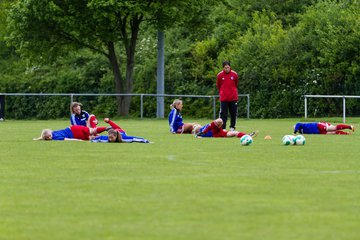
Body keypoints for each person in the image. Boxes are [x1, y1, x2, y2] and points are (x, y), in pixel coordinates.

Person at [216, 61, 239, 131]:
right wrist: (223, 92)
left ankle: (232, 127)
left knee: (233, 113)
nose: (227, 69)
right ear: (223, 68)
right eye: (225, 68)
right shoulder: (219, 75)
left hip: (233, 98)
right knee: (223, 114)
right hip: (224, 98)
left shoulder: (234, 74)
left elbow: (236, 84)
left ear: (230, 67)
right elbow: (218, 86)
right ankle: (223, 128)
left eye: (228, 67)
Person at [193, 118, 258, 138]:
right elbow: (197, 135)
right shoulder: (201, 132)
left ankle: (248, 135)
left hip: (218, 130)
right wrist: (198, 134)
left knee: (234, 133)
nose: (197, 126)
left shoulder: (202, 127)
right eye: (196, 127)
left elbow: (196, 126)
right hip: (216, 133)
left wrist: (196, 125)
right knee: (220, 120)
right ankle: (248, 136)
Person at [33, 125, 108, 141]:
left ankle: (107, 131)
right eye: (48, 138)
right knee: (92, 131)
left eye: (49, 136)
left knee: (91, 135)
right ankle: (106, 128)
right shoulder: (54, 134)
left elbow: (67, 139)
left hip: (74, 132)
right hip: (72, 128)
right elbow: (66, 139)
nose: (50, 138)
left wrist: (78, 140)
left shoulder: (54, 136)